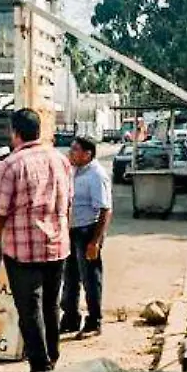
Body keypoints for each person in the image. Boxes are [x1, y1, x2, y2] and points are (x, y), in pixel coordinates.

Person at [0, 109, 74, 372]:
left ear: (15, 133)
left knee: (30, 311)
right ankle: (52, 357)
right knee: (50, 306)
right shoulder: (61, 160)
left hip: (23, 252)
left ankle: (40, 367)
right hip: (57, 247)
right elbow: (68, 204)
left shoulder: (11, 164)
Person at [61, 137, 113, 338]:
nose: (70, 153)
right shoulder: (74, 171)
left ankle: (94, 320)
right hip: (72, 230)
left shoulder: (96, 175)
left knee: (90, 277)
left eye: (75, 150)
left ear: (87, 154)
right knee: (70, 277)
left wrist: (95, 241)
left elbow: (105, 210)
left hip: (88, 231)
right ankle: (71, 318)